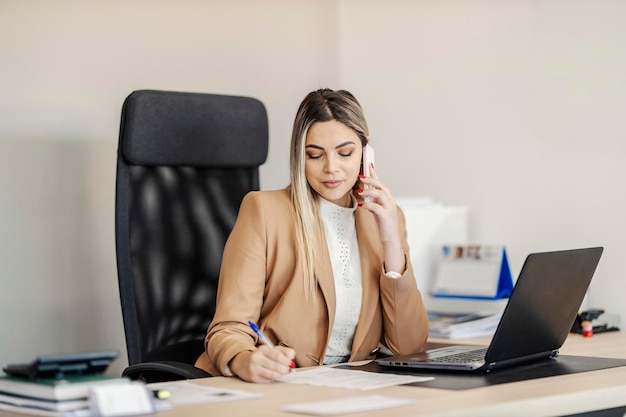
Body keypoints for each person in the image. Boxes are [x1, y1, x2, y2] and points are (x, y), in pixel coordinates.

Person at [194, 88, 428, 383]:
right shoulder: (264, 211)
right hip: (274, 386)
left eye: (345, 153)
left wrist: (391, 241)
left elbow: (409, 346)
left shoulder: (384, 221)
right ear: (299, 157)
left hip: (348, 388)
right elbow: (228, 329)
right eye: (315, 155)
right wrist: (244, 360)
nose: (331, 168)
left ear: (366, 154)